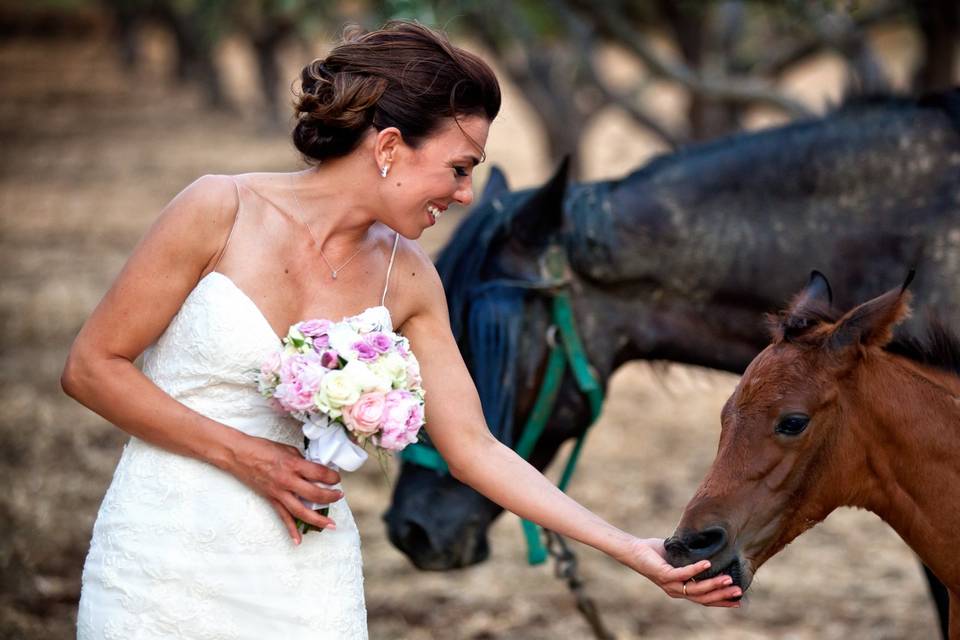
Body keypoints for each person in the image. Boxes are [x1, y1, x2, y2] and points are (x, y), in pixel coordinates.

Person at [62, 21, 741, 639]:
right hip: (158, 559)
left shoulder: (409, 278)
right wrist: (247, 455)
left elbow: (473, 447)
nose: (467, 194)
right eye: (459, 167)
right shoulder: (218, 209)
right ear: (388, 146)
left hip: (302, 579)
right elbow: (93, 368)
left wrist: (628, 547)